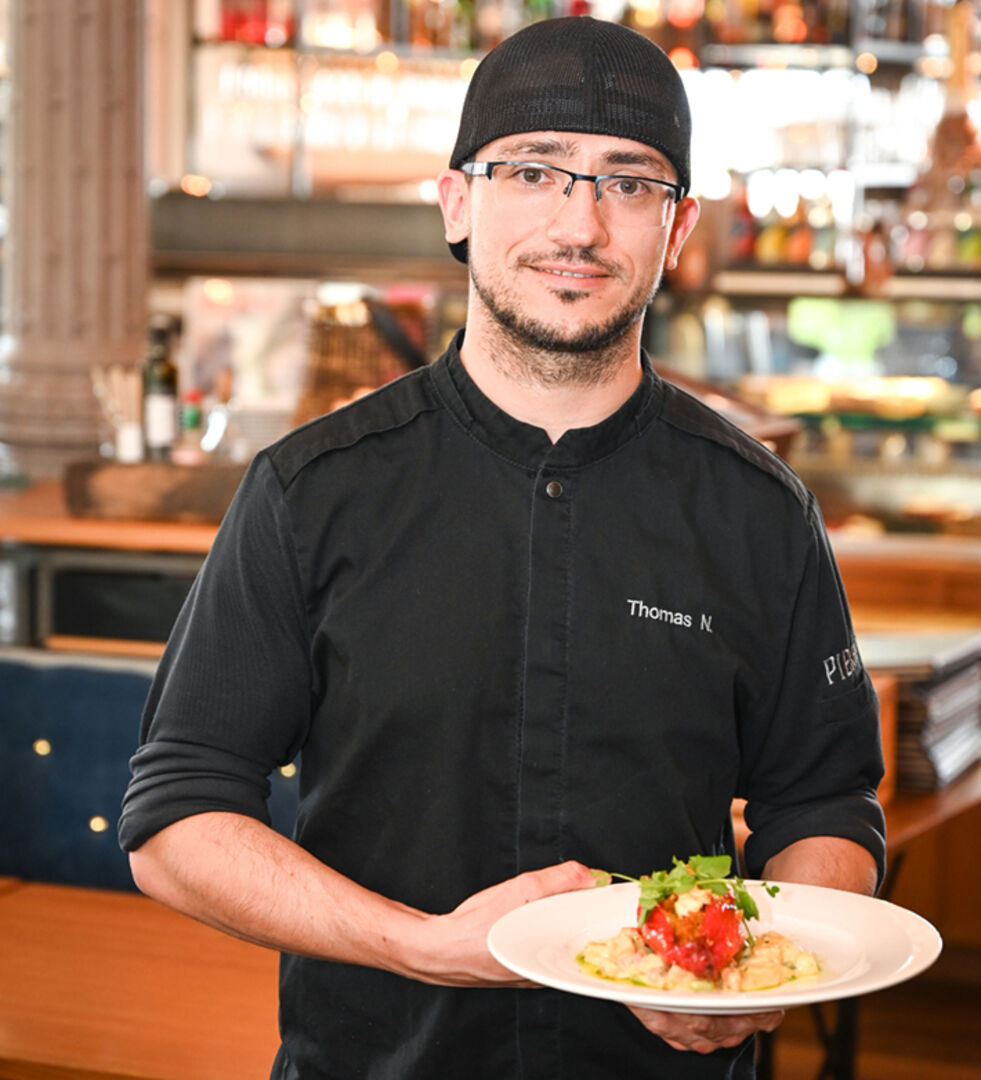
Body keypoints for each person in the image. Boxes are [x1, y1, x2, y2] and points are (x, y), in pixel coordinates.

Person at [120, 16, 886, 1080]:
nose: (580, 222)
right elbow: (175, 820)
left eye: (629, 182)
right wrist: (418, 947)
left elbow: (825, 802)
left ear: (677, 230)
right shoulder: (310, 492)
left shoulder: (761, 510)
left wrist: (751, 967)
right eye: (534, 170)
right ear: (457, 203)